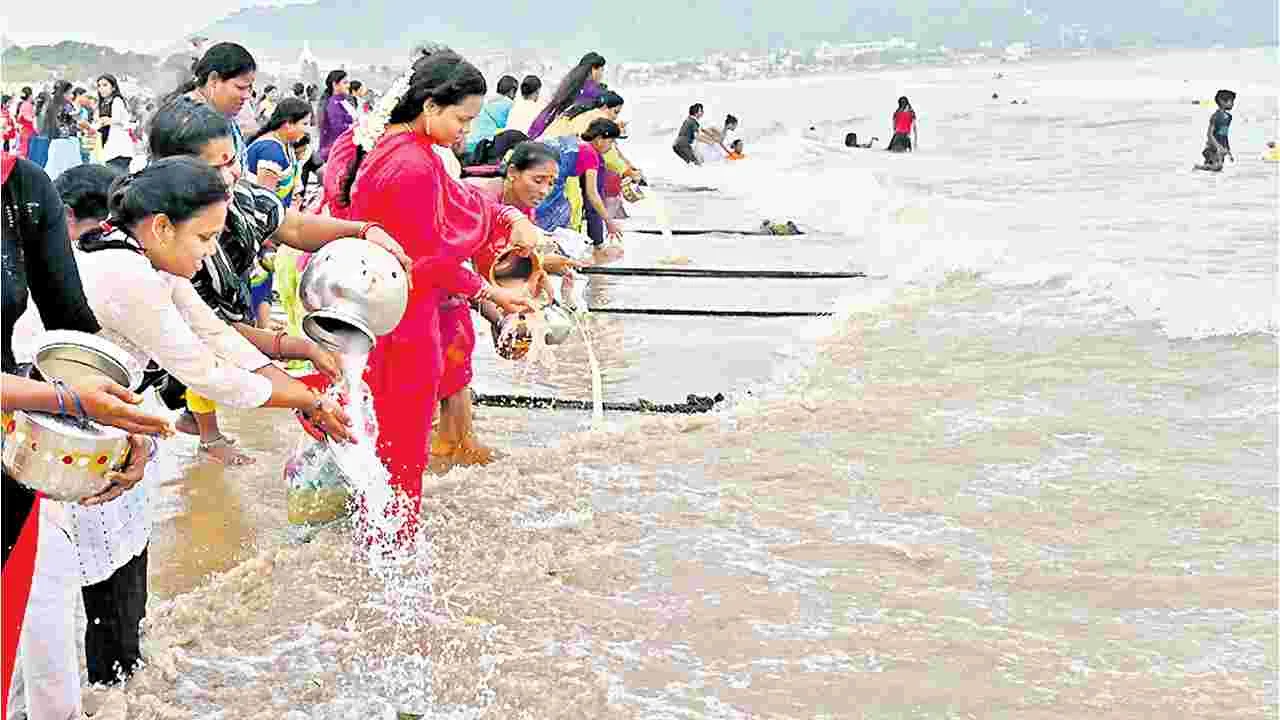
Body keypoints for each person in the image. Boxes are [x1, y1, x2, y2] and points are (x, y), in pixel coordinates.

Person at [340, 48, 541, 537]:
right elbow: (428, 262)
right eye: (461, 119)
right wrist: (490, 293)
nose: (467, 132)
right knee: (404, 440)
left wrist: (507, 216)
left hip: (386, 311)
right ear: (429, 106)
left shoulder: (403, 149)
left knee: (390, 437)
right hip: (404, 320)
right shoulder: (412, 164)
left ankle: (382, 535)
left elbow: (462, 203)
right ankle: (394, 546)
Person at [147, 97, 410, 465]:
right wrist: (302, 367)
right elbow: (211, 338)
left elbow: (295, 226)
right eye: (214, 167)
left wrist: (364, 231)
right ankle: (205, 434)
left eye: (232, 161)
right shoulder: (161, 247)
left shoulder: (236, 200)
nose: (230, 176)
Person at [2, 150, 169, 720]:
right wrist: (68, 400)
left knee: (49, 658)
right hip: (24, 419)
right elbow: (69, 389)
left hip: (10, 462)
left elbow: (74, 334)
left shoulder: (21, 188)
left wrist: (126, 421)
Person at [168, 42, 257, 170]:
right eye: (240, 87)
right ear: (214, 80)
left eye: (249, 88)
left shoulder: (221, 116)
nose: (247, 96)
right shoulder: (185, 122)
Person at [537, 118, 624, 247]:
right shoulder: (590, 153)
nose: (611, 146)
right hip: (548, 180)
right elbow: (592, 194)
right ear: (600, 139)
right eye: (611, 141)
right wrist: (609, 221)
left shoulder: (573, 140)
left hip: (535, 174)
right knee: (558, 215)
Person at [528, 52, 606, 139]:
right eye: (601, 70)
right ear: (593, 69)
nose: (602, 74)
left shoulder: (569, 86)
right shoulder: (593, 91)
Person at [465, 75, 518, 159]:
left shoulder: (485, 101)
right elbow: (508, 129)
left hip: (468, 144)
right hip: (484, 148)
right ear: (512, 91)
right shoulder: (509, 104)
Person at [41, 80, 83, 179]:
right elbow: (75, 120)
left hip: (54, 142)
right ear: (63, 93)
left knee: (53, 172)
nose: (71, 95)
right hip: (67, 143)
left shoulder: (50, 105)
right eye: (69, 93)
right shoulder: (67, 105)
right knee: (71, 173)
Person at [95, 74, 135, 172]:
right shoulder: (103, 103)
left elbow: (117, 119)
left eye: (105, 85)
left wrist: (104, 120)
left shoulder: (117, 100)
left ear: (113, 87)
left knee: (116, 178)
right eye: (99, 86)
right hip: (110, 148)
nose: (101, 88)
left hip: (119, 148)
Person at [316, 69, 353, 165]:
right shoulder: (333, 104)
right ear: (335, 84)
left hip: (343, 148)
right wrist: (356, 127)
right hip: (337, 152)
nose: (348, 85)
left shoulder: (343, 101)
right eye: (345, 82)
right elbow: (338, 128)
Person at [1196, 89, 1235, 172]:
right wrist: (1218, 147)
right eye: (1230, 101)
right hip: (1212, 147)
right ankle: (1197, 168)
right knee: (1217, 167)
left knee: (1216, 169)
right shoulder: (1216, 116)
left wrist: (1228, 150)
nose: (1232, 104)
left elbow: (1225, 135)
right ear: (1222, 101)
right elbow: (1209, 134)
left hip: (1221, 149)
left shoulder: (1229, 117)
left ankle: (1200, 168)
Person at [15, 88, 37, 158]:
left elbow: (20, 118)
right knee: (26, 152)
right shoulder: (28, 105)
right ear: (30, 95)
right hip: (28, 132)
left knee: (23, 151)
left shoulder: (22, 104)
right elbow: (29, 119)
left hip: (24, 131)